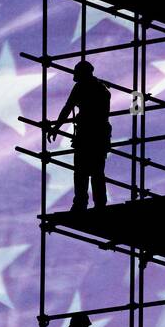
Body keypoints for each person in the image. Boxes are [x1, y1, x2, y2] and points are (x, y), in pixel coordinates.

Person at [46, 61, 111, 213]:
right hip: (97, 135)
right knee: (95, 172)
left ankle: (82, 203)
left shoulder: (84, 87)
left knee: (83, 172)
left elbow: (67, 108)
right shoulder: (101, 88)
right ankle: (98, 203)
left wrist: (56, 128)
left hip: (89, 135)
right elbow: (68, 108)